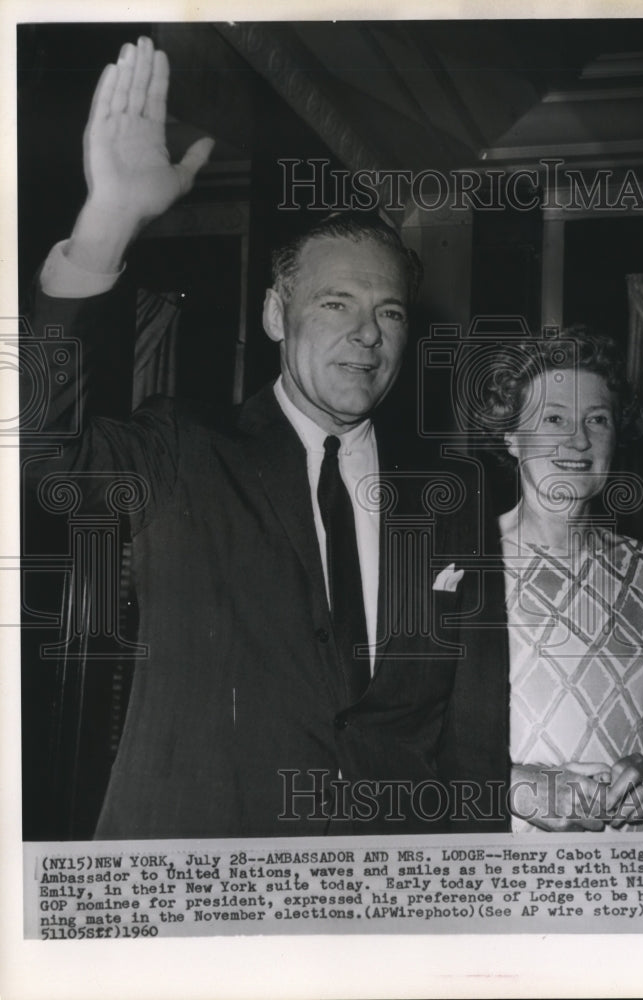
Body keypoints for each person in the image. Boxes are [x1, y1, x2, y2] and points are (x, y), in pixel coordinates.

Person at [27, 36, 510, 838]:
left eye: (387, 313)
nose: (365, 335)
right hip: (201, 878)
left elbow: (469, 735)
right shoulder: (182, 451)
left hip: (378, 896)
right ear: (276, 316)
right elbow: (33, 452)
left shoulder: (452, 500)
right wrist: (106, 223)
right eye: (334, 304)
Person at [480, 328, 643, 832]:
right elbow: (411, 745)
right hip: (501, 879)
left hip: (635, 883)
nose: (578, 440)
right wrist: (510, 783)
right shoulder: (461, 570)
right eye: (553, 418)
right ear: (511, 436)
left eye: (597, 420)